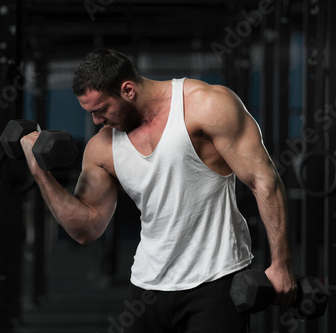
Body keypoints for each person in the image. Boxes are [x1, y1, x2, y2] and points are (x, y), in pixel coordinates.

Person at [20, 49, 297, 332]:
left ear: (127, 89)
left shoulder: (205, 105)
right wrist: (39, 172)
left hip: (215, 280)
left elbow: (263, 180)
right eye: (90, 113)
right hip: (147, 285)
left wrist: (281, 263)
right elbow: (85, 228)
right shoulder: (102, 147)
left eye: (101, 110)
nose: (96, 121)